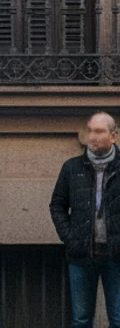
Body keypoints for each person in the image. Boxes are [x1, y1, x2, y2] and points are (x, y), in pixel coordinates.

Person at [50, 111, 120, 328]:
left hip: (117, 257)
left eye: (99, 131)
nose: (92, 137)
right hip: (81, 257)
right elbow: (57, 206)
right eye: (90, 131)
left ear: (113, 136)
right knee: (80, 320)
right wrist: (71, 237)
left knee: (118, 319)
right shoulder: (72, 167)